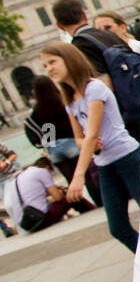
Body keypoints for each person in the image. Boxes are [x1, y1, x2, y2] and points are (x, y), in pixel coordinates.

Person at [39, 43, 140, 253]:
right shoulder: (70, 98)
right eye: (44, 66)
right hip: (104, 165)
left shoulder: (94, 88)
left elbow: (92, 133)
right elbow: (79, 138)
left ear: (69, 59)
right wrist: (86, 143)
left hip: (127, 157)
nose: (49, 69)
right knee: (118, 228)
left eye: (52, 62)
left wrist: (78, 176)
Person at [51, 0, 140, 143]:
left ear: (59, 26)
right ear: (84, 15)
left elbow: (103, 84)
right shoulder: (106, 34)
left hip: (125, 117)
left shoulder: (80, 44)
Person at [24, 74, 100, 205]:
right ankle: (99, 201)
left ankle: (80, 206)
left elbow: (36, 135)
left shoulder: (36, 112)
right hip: (72, 142)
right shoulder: (63, 103)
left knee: (69, 179)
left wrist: (47, 142)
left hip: (54, 147)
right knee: (86, 176)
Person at [11, 156, 91, 231]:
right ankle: (92, 210)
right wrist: (61, 191)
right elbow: (58, 197)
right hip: (41, 219)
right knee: (70, 196)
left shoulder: (19, 178)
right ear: (48, 167)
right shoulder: (42, 171)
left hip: (27, 223)